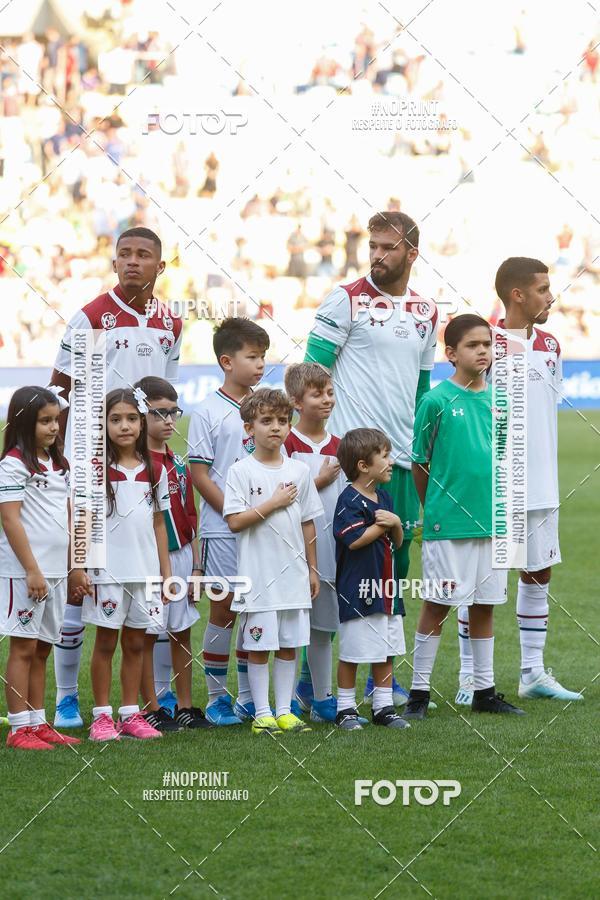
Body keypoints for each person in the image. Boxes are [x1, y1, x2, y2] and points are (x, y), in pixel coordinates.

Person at [304, 210, 438, 706]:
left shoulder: (427, 312)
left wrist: (422, 450)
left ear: (411, 252)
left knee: (392, 572)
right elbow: (311, 374)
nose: (378, 256)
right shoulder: (346, 299)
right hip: (348, 461)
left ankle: (381, 678)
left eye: (388, 247)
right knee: (332, 568)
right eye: (373, 246)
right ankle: (312, 680)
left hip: (399, 463)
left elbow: (423, 391)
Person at [50, 226, 181, 729]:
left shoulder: (170, 321)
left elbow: (161, 393)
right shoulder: (91, 317)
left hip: (140, 462)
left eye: (142, 255)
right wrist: (68, 455)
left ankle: (139, 706)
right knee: (82, 583)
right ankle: (66, 697)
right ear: (113, 262)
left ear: (159, 266)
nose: (131, 262)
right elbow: (60, 389)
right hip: (91, 460)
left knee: (135, 601)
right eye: (123, 254)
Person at [455, 259, 582, 705]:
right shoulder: (484, 345)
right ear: (517, 296)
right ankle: (470, 679)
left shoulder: (550, 344)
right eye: (544, 289)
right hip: (495, 485)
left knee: (538, 573)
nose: (551, 296)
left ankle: (532, 672)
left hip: (543, 481)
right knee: (479, 582)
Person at [404, 315, 525, 720]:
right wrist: (434, 507)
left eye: (488, 344)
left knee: (485, 605)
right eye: (474, 345)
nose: (484, 352)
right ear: (451, 353)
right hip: (447, 524)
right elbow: (420, 463)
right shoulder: (436, 401)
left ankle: (484, 691)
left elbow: (504, 460)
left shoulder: (499, 402)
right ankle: (418, 693)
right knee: (438, 604)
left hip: (493, 523)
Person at [72, 388, 175, 740]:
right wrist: (80, 567)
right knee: (105, 643)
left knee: (135, 643)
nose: (125, 426)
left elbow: (160, 523)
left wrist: (165, 573)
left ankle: (131, 713)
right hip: (107, 573)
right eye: (115, 419)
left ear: (142, 422)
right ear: (104, 425)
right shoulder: (95, 470)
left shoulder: (155, 469)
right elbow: (81, 521)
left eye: (132, 418)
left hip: (145, 573)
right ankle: (102, 716)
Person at [223, 388, 322, 735]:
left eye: (282, 421)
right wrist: (274, 501)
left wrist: (312, 568)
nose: (276, 428)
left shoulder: (299, 470)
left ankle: (284, 710)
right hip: (258, 577)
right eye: (266, 421)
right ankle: (261, 711)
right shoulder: (241, 471)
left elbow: (308, 521)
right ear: (250, 428)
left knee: (289, 645)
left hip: (294, 576)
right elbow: (235, 521)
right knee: (259, 646)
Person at [188, 317, 270, 725]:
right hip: (223, 529)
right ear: (226, 361)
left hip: (263, 527)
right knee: (224, 610)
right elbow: (199, 473)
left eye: (263, 357)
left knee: (256, 609)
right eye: (251, 357)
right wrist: (234, 513)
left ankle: (250, 698)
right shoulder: (208, 411)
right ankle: (218, 698)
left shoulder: (267, 408)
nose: (259, 364)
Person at [0, 387, 81, 750]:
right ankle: (18, 728)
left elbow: (65, 517)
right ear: (23, 423)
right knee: (23, 646)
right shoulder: (13, 464)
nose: (53, 428)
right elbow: (10, 520)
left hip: (55, 572)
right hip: (25, 572)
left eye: (56, 421)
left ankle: (38, 722)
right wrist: (31, 569)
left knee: (43, 647)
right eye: (44, 421)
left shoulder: (58, 463)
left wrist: (75, 566)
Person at [135, 376, 211, 731]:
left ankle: (185, 706)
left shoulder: (177, 461)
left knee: (181, 631)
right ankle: (150, 707)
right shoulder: (136, 465)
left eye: (173, 412)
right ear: (141, 415)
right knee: (147, 633)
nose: (168, 421)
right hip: (149, 559)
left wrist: (196, 567)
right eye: (159, 413)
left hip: (181, 556)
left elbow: (190, 516)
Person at [333, 429, 409, 731]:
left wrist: (396, 524)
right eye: (385, 456)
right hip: (358, 590)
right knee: (353, 651)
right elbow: (353, 540)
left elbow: (398, 541)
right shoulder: (348, 500)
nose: (391, 462)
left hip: (387, 588)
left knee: (385, 649)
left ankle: (383, 706)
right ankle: (345, 709)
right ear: (363, 466)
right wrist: (384, 524)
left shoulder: (384, 497)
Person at [283, 363, 346, 723]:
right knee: (292, 630)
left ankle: (322, 699)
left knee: (323, 630)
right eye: (316, 394)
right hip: (293, 551)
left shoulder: (341, 446)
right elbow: (284, 496)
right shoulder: (286, 443)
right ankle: (287, 701)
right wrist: (317, 480)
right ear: (295, 401)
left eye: (329, 392)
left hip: (330, 552)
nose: (325, 400)